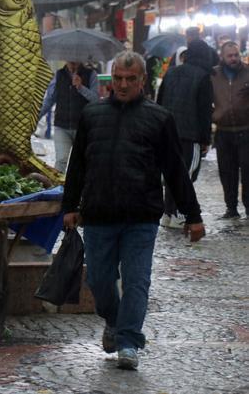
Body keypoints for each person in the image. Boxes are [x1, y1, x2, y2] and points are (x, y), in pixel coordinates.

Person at [62, 51, 205, 370]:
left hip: (141, 216)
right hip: (98, 214)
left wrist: (193, 216)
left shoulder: (159, 118)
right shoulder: (93, 114)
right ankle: (114, 321)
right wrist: (70, 205)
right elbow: (78, 165)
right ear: (110, 80)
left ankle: (128, 341)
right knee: (99, 281)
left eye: (130, 79)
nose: (123, 85)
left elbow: (175, 170)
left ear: (142, 81)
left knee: (137, 280)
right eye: (118, 79)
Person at [156, 39, 213, 228]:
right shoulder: (203, 76)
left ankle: (168, 212)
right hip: (190, 134)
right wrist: (205, 139)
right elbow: (204, 111)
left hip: (167, 132)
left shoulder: (170, 73)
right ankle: (177, 213)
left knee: (171, 171)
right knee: (186, 175)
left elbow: (160, 101)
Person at [211, 41, 249, 219]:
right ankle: (231, 208)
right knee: (227, 172)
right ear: (222, 57)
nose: (233, 59)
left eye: (236, 55)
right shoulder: (214, 74)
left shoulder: (247, 72)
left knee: (248, 172)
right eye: (230, 56)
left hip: (246, 130)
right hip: (223, 131)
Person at [39, 61, 99, 173]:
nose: (72, 62)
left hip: (82, 127)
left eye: (75, 60)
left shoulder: (91, 74)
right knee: (61, 160)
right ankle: (57, 189)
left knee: (82, 162)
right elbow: (49, 100)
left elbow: (95, 99)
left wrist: (81, 87)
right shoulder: (59, 75)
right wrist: (34, 118)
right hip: (62, 126)